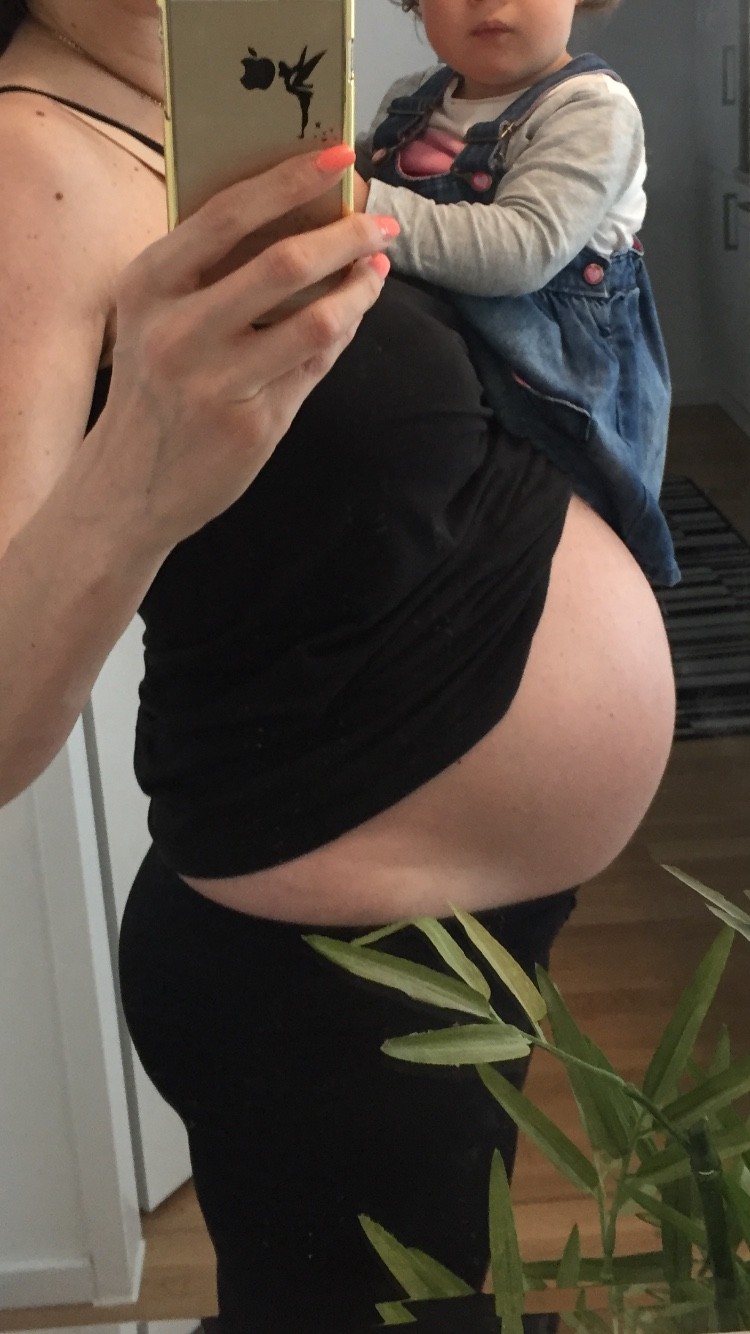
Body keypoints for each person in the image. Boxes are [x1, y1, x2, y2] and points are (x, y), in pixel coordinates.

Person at [0, 1, 676, 1330]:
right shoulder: (35, 162)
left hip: (426, 933)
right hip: (323, 980)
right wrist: (139, 463)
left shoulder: (245, 108)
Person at [356, 0, 680, 588]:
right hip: (438, 395)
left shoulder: (591, 109)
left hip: (552, 404)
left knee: (555, 577)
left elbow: (522, 249)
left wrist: (363, 207)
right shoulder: (411, 101)